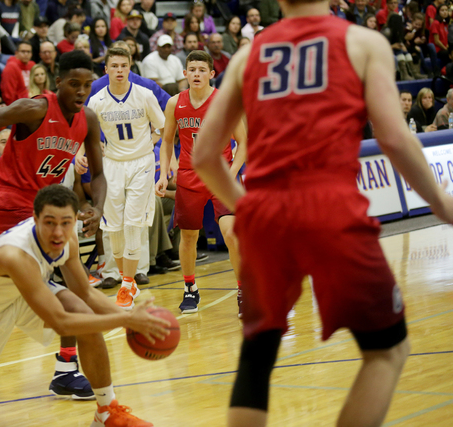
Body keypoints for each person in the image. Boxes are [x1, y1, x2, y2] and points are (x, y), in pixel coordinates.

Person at [192, 0, 453, 425]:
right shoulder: (363, 42)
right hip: (332, 209)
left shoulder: (247, 55)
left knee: (257, 357)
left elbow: (205, 154)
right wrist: (441, 204)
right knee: (387, 350)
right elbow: (393, 136)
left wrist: (249, 209)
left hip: (267, 213)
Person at [0, 184, 168, 426]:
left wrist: (128, 314)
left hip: (27, 290)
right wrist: (126, 320)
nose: (58, 232)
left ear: (75, 220)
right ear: (35, 218)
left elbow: (85, 292)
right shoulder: (14, 254)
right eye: (49, 222)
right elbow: (61, 322)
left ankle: (107, 410)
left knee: (82, 314)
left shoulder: (67, 238)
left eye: (66, 222)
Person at [0, 50, 108, 400]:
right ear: (57, 82)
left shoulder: (88, 117)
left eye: (87, 85)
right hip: (12, 204)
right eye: (74, 84)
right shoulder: (35, 108)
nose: (81, 91)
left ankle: (66, 371)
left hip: (48, 210)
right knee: (10, 287)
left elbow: (100, 174)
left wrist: (97, 207)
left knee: (36, 290)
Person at [156, 50, 244, 315]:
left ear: (211, 74)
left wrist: (232, 173)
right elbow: (167, 140)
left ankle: (243, 290)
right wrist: (164, 172)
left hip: (221, 174)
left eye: (201, 70)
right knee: (189, 236)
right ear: (184, 73)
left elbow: (244, 142)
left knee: (231, 233)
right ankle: (190, 288)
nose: (196, 74)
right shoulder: (174, 103)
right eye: (192, 69)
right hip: (189, 175)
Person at [87, 46, 165, 310]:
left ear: (130, 66)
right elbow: (86, 135)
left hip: (141, 163)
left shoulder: (144, 95)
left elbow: (163, 127)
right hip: (112, 166)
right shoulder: (96, 101)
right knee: (114, 228)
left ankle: (126, 285)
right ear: (106, 69)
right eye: (115, 66)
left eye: (124, 65)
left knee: (133, 224)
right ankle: (127, 280)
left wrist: (150, 144)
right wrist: (82, 154)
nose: (119, 70)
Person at [1, 40, 36, 105]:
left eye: (28, 52)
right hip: (19, 105)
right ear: (16, 53)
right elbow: (8, 94)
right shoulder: (11, 67)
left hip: (33, 101)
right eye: (23, 51)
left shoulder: (32, 65)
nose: (26, 54)